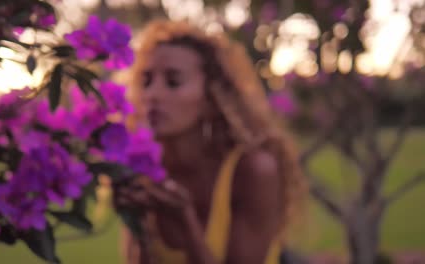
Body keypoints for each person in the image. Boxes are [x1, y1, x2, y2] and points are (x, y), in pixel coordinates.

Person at [114, 20, 306, 264]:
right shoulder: (143, 170)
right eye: (146, 81)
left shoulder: (253, 170)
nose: (152, 94)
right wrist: (137, 223)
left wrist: (186, 223)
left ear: (211, 98)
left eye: (173, 82)